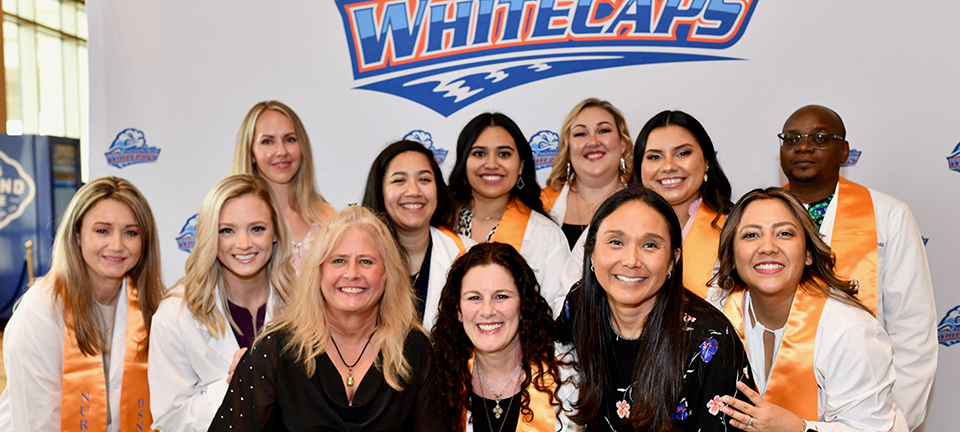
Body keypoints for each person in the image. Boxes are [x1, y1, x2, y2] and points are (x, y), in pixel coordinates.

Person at [209, 205, 441, 431]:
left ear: (387, 273)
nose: (352, 274)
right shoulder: (274, 350)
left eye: (366, 261)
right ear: (318, 272)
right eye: (338, 260)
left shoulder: (415, 350)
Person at [777, 105, 935, 430]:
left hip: (866, 409)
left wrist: (895, 419)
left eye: (819, 138)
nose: (803, 146)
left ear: (844, 150)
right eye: (793, 138)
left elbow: (912, 327)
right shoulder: (756, 217)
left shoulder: (887, 215)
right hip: (776, 408)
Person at [709, 187, 906, 432]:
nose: (767, 247)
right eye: (751, 235)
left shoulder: (848, 330)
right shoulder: (716, 316)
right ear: (731, 255)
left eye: (784, 233)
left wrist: (797, 428)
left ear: (809, 254)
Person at [559, 186, 753, 432]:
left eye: (649, 245)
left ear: (673, 259)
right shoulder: (579, 304)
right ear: (592, 253)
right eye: (616, 242)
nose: (631, 260)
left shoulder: (709, 342)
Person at [0, 176, 165, 431]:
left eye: (131, 232)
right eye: (102, 231)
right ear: (77, 235)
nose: (117, 245)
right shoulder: (40, 311)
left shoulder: (152, 303)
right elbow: (37, 421)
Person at [149, 175, 296, 431]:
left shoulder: (304, 303)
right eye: (227, 230)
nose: (244, 244)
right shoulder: (173, 314)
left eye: (257, 229)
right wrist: (237, 385)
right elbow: (170, 420)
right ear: (210, 237)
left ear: (275, 233)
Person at [559, 110, 734, 301]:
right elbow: (565, 299)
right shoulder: (608, 223)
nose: (668, 166)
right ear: (639, 165)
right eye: (654, 157)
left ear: (707, 160)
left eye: (682, 153)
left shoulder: (733, 231)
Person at [433, 243, 580, 432]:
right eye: (474, 298)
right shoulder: (441, 377)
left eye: (501, 296)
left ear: (523, 305)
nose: (487, 311)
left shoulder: (567, 377)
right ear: (458, 311)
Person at [448, 112, 569, 315]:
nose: (492, 164)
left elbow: (557, 315)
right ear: (463, 162)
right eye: (479, 153)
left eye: (504, 154)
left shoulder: (546, 234)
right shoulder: (440, 225)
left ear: (521, 165)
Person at [362, 140, 476, 328]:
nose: (414, 191)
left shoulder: (468, 254)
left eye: (424, 180)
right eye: (399, 180)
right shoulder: (357, 258)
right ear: (380, 190)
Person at [231, 100, 335, 271]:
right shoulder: (229, 217)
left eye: (290, 139)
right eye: (267, 142)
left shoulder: (326, 215)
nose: (281, 151)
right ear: (251, 152)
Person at [541, 98, 632, 248]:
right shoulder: (541, 205)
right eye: (581, 134)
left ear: (623, 144)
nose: (593, 142)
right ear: (568, 149)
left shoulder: (646, 199)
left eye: (603, 131)